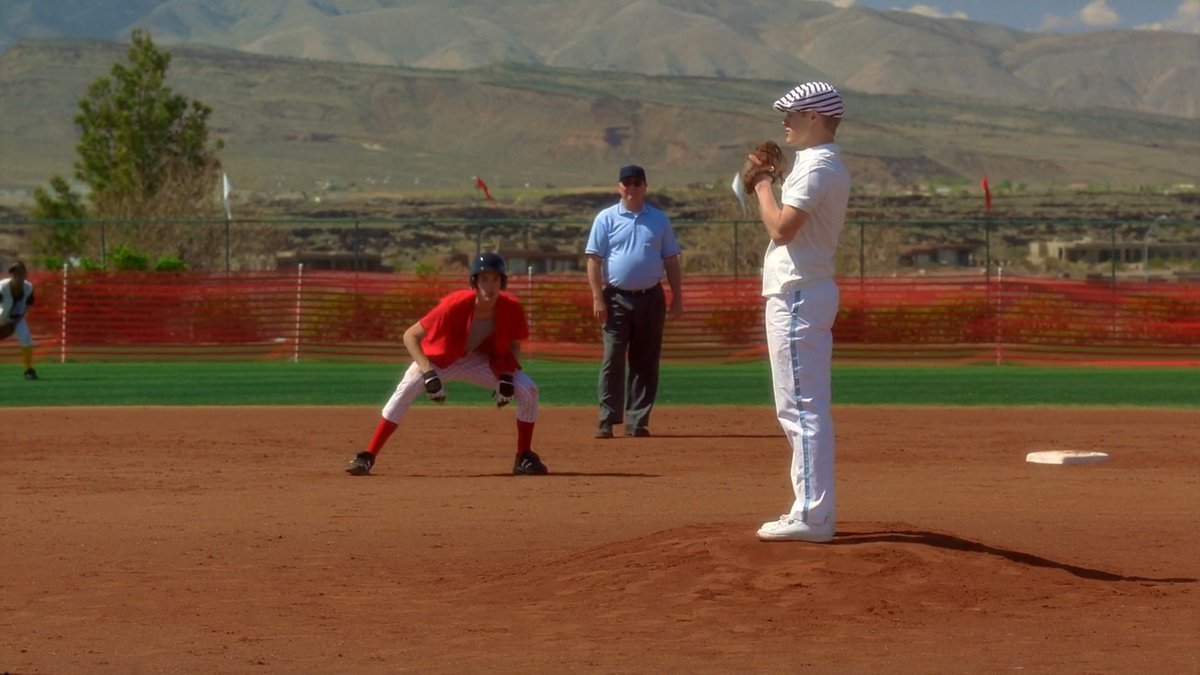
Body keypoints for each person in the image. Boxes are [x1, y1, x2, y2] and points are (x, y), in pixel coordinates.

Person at [748, 82, 851, 542]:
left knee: (800, 410)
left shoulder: (818, 165)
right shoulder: (819, 164)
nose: (784, 121)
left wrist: (763, 184)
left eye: (791, 113)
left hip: (799, 294)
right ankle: (814, 511)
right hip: (804, 291)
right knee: (802, 407)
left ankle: (811, 514)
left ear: (814, 116)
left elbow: (782, 228)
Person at [344, 252, 548, 476]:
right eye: (484, 279)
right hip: (442, 359)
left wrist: (507, 375)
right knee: (407, 388)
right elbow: (410, 336)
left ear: (503, 282)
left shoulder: (511, 307)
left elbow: (514, 343)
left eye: (495, 279)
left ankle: (524, 456)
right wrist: (428, 372)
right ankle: (368, 455)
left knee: (528, 389)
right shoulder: (454, 304)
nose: (489, 285)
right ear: (474, 282)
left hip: (479, 361)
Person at [585, 165, 683, 439]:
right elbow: (594, 260)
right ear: (619, 187)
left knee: (646, 360)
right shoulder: (605, 219)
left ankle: (637, 421)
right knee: (613, 357)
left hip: (651, 296)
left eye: (636, 182)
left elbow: (671, 260)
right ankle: (607, 418)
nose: (631, 188)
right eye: (626, 183)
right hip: (616, 297)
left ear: (645, 186)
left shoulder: (659, 220)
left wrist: (678, 296)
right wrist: (597, 297)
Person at [0, 261, 38, 380]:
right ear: (12, 275)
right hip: (1, 317)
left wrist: (18, 320)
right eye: (15, 274)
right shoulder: (2, 287)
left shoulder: (29, 287)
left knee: (26, 338)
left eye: (21, 273)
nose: (18, 276)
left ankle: (28, 370)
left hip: (17, 318)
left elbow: (28, 304)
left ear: (25, 274)